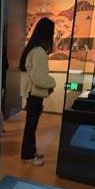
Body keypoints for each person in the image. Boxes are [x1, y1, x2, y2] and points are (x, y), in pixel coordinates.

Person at [19, 17, 56, 166]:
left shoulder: (33, 50)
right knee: (31, 126)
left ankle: (31, 152)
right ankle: (27, 155)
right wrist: (52, 82)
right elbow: (39, 78)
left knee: (31, 126)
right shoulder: (39, 52)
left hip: (31, 93)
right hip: (35, 94)